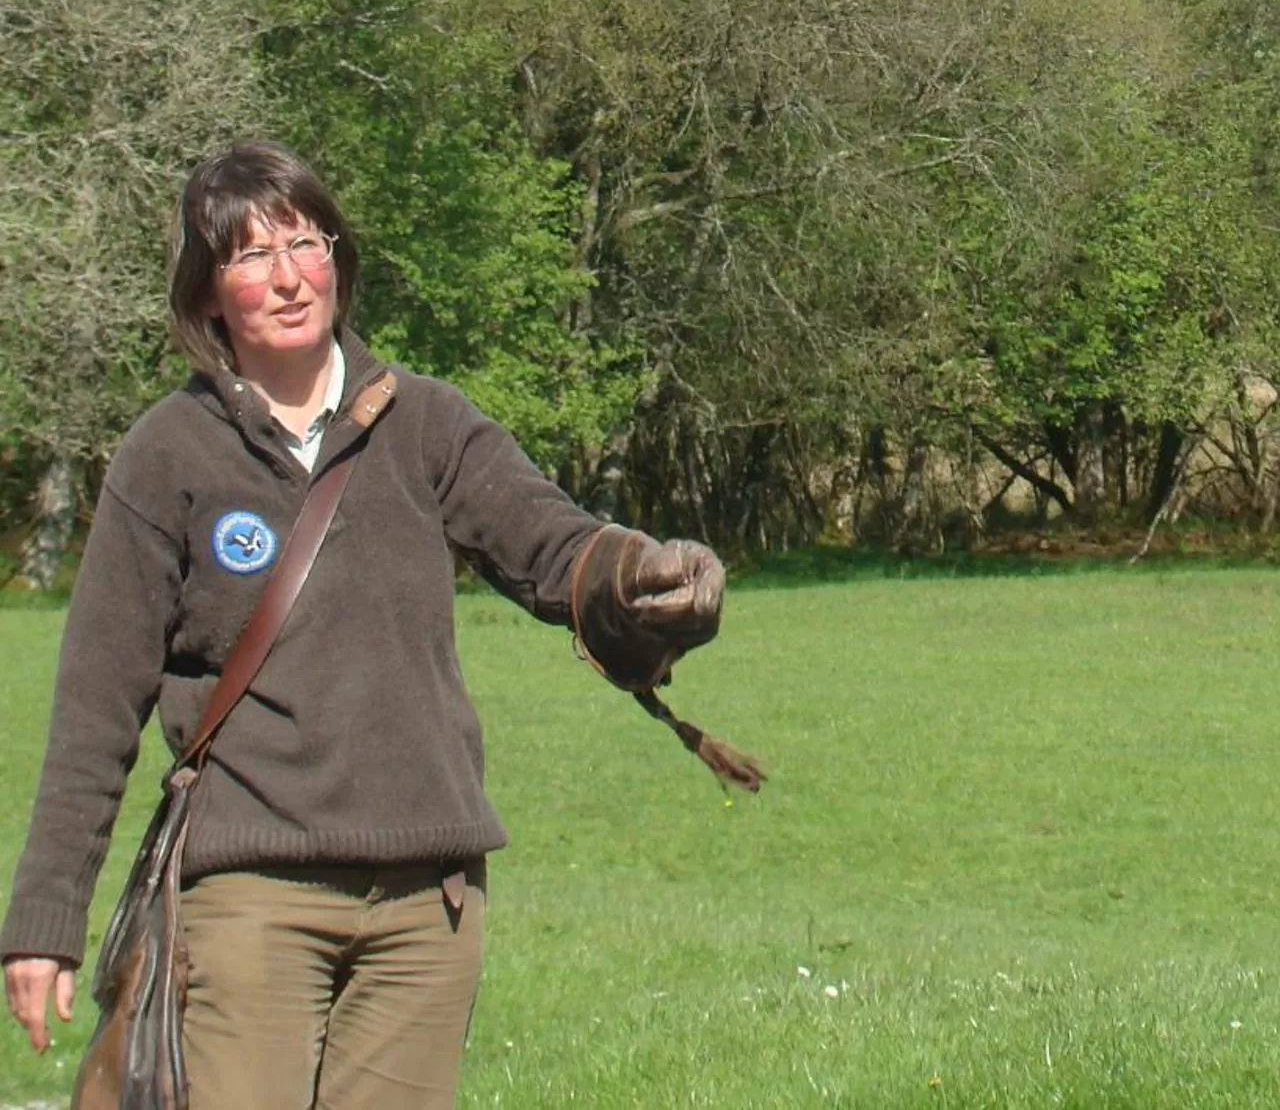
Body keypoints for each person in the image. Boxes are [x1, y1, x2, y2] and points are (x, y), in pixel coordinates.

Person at [2, 141, 739, 1108]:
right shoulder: (167, 454)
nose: (288, 277)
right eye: (251, 256)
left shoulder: (425, 423)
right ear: (207, 294)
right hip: (250, 895)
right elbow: (96, 709)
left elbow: (555, 549)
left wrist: (646, 578)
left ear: (338, 260)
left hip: (426, 906)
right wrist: (46, 920)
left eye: (305, 243)